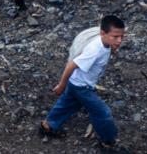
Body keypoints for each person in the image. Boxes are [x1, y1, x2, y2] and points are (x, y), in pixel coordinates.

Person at [39, 15, 126, 149]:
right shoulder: (94, 50)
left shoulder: (105, 42)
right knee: (103, 113)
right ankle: (108, 142)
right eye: (115, 37)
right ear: (102, 33)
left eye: (122, 37)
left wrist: (112, 48)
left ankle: (48, 126)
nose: (119, 40)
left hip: (76, 83)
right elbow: (71, 65)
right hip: (82, 87)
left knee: (68, 104)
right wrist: (62, 85)